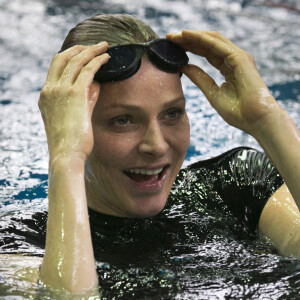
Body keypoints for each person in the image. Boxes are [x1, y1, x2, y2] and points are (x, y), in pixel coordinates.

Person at [2, 13, 300, 297]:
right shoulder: (20, 243)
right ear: (71, 127)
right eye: (123, 120)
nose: (156, 145)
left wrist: (266, 120)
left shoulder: (235, 185)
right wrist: (66, 157)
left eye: (172, 113)